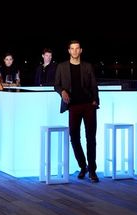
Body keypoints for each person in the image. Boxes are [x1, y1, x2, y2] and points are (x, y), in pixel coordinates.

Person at [54, 40, 100, 183]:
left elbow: (94, 85)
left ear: (81, 50)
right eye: (72, 48)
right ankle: (83, 166)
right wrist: (62, 92)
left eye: (77, 48)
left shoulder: (87, 66)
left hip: (88, 105)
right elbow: (56, 84)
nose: (74, 51)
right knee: (74, 137)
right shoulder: (62, 66)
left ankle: (92, 170)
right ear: (69, 51)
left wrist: (95, 101)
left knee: (91, 138)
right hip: (73, 106)